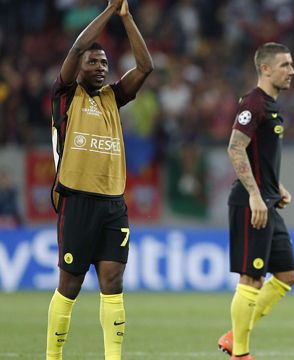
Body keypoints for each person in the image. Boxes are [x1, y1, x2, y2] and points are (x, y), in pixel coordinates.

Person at [46, 0, 153, 359]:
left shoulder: (112, 98)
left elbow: (145, 66)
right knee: (70, 285)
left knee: (113, 283)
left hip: (112, 203)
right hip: (77, 199)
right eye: (94, 62)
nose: (100, 67)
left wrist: (127, 16)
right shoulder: (65, 96)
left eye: (105, 63)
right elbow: (77, 46)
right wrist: (109, 10)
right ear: (78, 68)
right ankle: (53, 356)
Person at [217, 42, 294, 360]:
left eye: (291, 65)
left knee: (287, 275)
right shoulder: (254, 101)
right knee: (252, 277)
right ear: (265, 69)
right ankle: (241, 353)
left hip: (267, 200)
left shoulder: (272, 105)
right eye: (285, 65)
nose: (291, 70)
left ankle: (233, 336)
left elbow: (258, 154)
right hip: (252, 204)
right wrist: (254, 195)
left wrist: (277, 186)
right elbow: (236, 148)